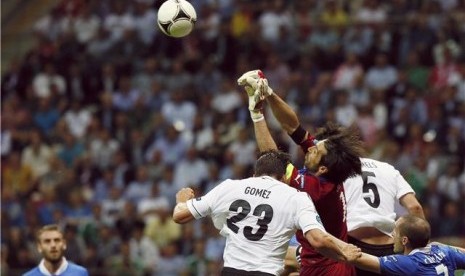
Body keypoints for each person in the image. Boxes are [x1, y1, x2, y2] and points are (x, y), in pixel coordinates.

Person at [238, 70, 365, 275]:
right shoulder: (326, 170)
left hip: (325, 269)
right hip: (316, 256)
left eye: (316, 150)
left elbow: (272, 161)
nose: (312, 147)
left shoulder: (317, 189)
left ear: (323, 167)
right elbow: (293, 127)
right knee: (270, 256)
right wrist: (269, 92)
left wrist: (257, 115)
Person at [172, 150, 362, 276]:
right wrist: (344, 249)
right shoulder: (296, 197)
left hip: (230, 271)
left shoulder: (230, 187)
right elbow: (318, 239)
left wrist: (182, 200)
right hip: (266, 272)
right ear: (283, 177)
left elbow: (179, 216)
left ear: (255, 173)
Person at [348, 214, 465, 275]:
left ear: (404, 240)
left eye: (395, 231)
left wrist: (330, 238)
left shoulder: (409, 264)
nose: (392, 235)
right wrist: (443, 247)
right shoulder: (446, 252)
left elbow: (359, 260)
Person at [24, 224, 89, 276]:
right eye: (47, 241)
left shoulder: (80, 273)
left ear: (64, 244)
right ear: (39, 247)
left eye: (57, 240)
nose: (53, 245)